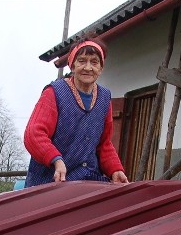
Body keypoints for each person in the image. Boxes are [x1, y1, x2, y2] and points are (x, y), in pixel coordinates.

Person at [23, 39, 129, 187]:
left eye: (94, 62)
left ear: (101, 67)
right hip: (51, 181)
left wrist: (115, 170)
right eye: (82, 61)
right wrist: (56, 160)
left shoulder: (104, 98)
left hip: (87, 180)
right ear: (72, 65)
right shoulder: (55, 92)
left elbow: (103, 144)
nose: (88, 67)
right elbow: (34, 134)